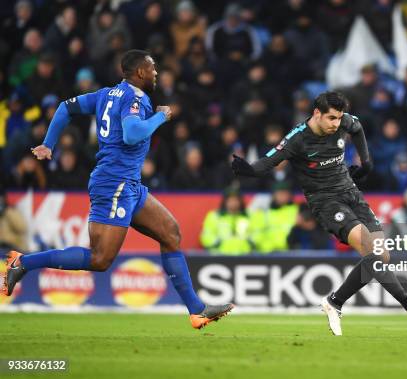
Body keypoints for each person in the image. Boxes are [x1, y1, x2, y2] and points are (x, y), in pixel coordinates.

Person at [1, 50, 233, 329]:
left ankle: (197, 310)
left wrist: (49, 144)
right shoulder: (135, 98)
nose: (156, 72)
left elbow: (65, 107)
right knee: (100, 259)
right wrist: (161, 117)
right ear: (139, 73)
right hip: (114, 184)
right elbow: (132, 133)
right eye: (152, 68)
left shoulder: (106, 94)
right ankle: (22, 263)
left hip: (129, 184)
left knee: (171, 233)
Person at [231, 91, 407, 335]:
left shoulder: (343, 121)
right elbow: (269, 160)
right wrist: (248, 169)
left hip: (350, 192)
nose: (336, 124)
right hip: (325, 201)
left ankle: (334, 302)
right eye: (331, 118)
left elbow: (357, 127)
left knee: (381, 257)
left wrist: (366, 163)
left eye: (339, 118)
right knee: (369, 248)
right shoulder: (298, 138)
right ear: (316, 113)